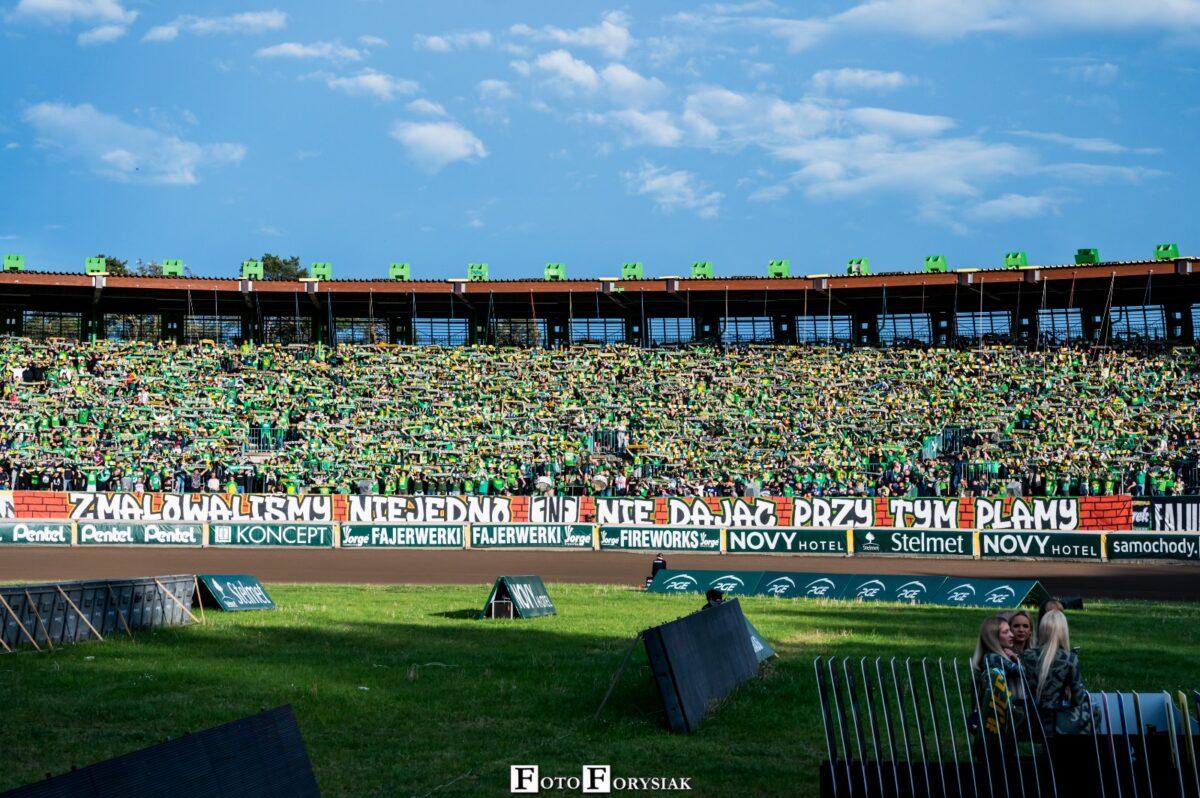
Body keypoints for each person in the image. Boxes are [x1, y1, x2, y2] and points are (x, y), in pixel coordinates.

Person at [1020, 610, 1094, 735]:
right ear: (1063, 631)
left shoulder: (1027, 655)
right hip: (1058, 722)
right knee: (1094, 708)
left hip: (1029, 718)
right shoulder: (1069, 658)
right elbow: (1078, 699)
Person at [971, 615, 1025, 739]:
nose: (1012, 635)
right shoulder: (994, 657)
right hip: (997, 714)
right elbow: (1023, 672)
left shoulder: (989, 656)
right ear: (993, 637)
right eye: (1006, 632)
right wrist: (1016, 658)